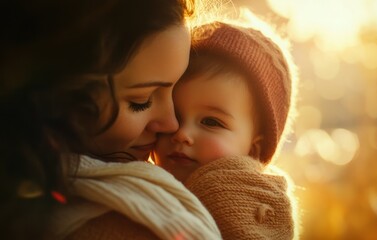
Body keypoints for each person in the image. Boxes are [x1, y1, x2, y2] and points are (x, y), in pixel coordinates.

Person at [0, 0, 222, 239]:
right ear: (55, 95)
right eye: (141, 100)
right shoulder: (117, 225)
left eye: (174, 93)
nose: (172, 124)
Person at [153, 21, 299, 239]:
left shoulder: (242, 204)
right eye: (174, 114)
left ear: (254, 150)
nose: (181, 133)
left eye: (211, 122)